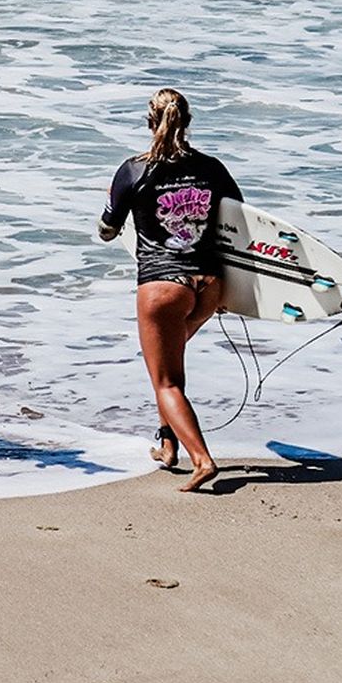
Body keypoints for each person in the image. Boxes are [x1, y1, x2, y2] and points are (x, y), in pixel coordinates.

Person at [98, 88, 242, 493]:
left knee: (166, 380)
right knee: (167, 367)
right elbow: (238, 223)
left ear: (149, 121)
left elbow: (108, 231)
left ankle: (202, 460)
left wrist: (115, 213)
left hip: (163, 287)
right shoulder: (213, 168)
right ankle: (167, 445)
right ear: (188, 120)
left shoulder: (133, 171)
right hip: (209, 285)